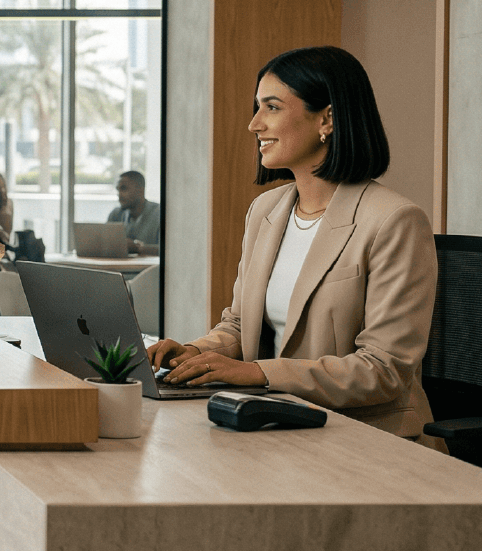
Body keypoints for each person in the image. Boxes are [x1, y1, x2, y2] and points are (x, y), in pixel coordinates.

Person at [147, 45, 438, 443]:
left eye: (271, 107)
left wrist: (259, 372)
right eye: (257, 107)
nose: (254, 124)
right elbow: (239, 325)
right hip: (278, 423)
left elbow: (384, 370)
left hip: (365, 436)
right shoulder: (266, 210)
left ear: (328, 119)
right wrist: (193, 355)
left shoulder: (394, 221)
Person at [106, 170, 162, 256]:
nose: (119, 194)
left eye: (124, 188)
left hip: (149, 268)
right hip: (119, 267)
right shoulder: (115, 214)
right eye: (118, 189)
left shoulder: (160, 214)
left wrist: (138, 248)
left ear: (140, 191)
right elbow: (106, 244)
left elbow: (168, 251)